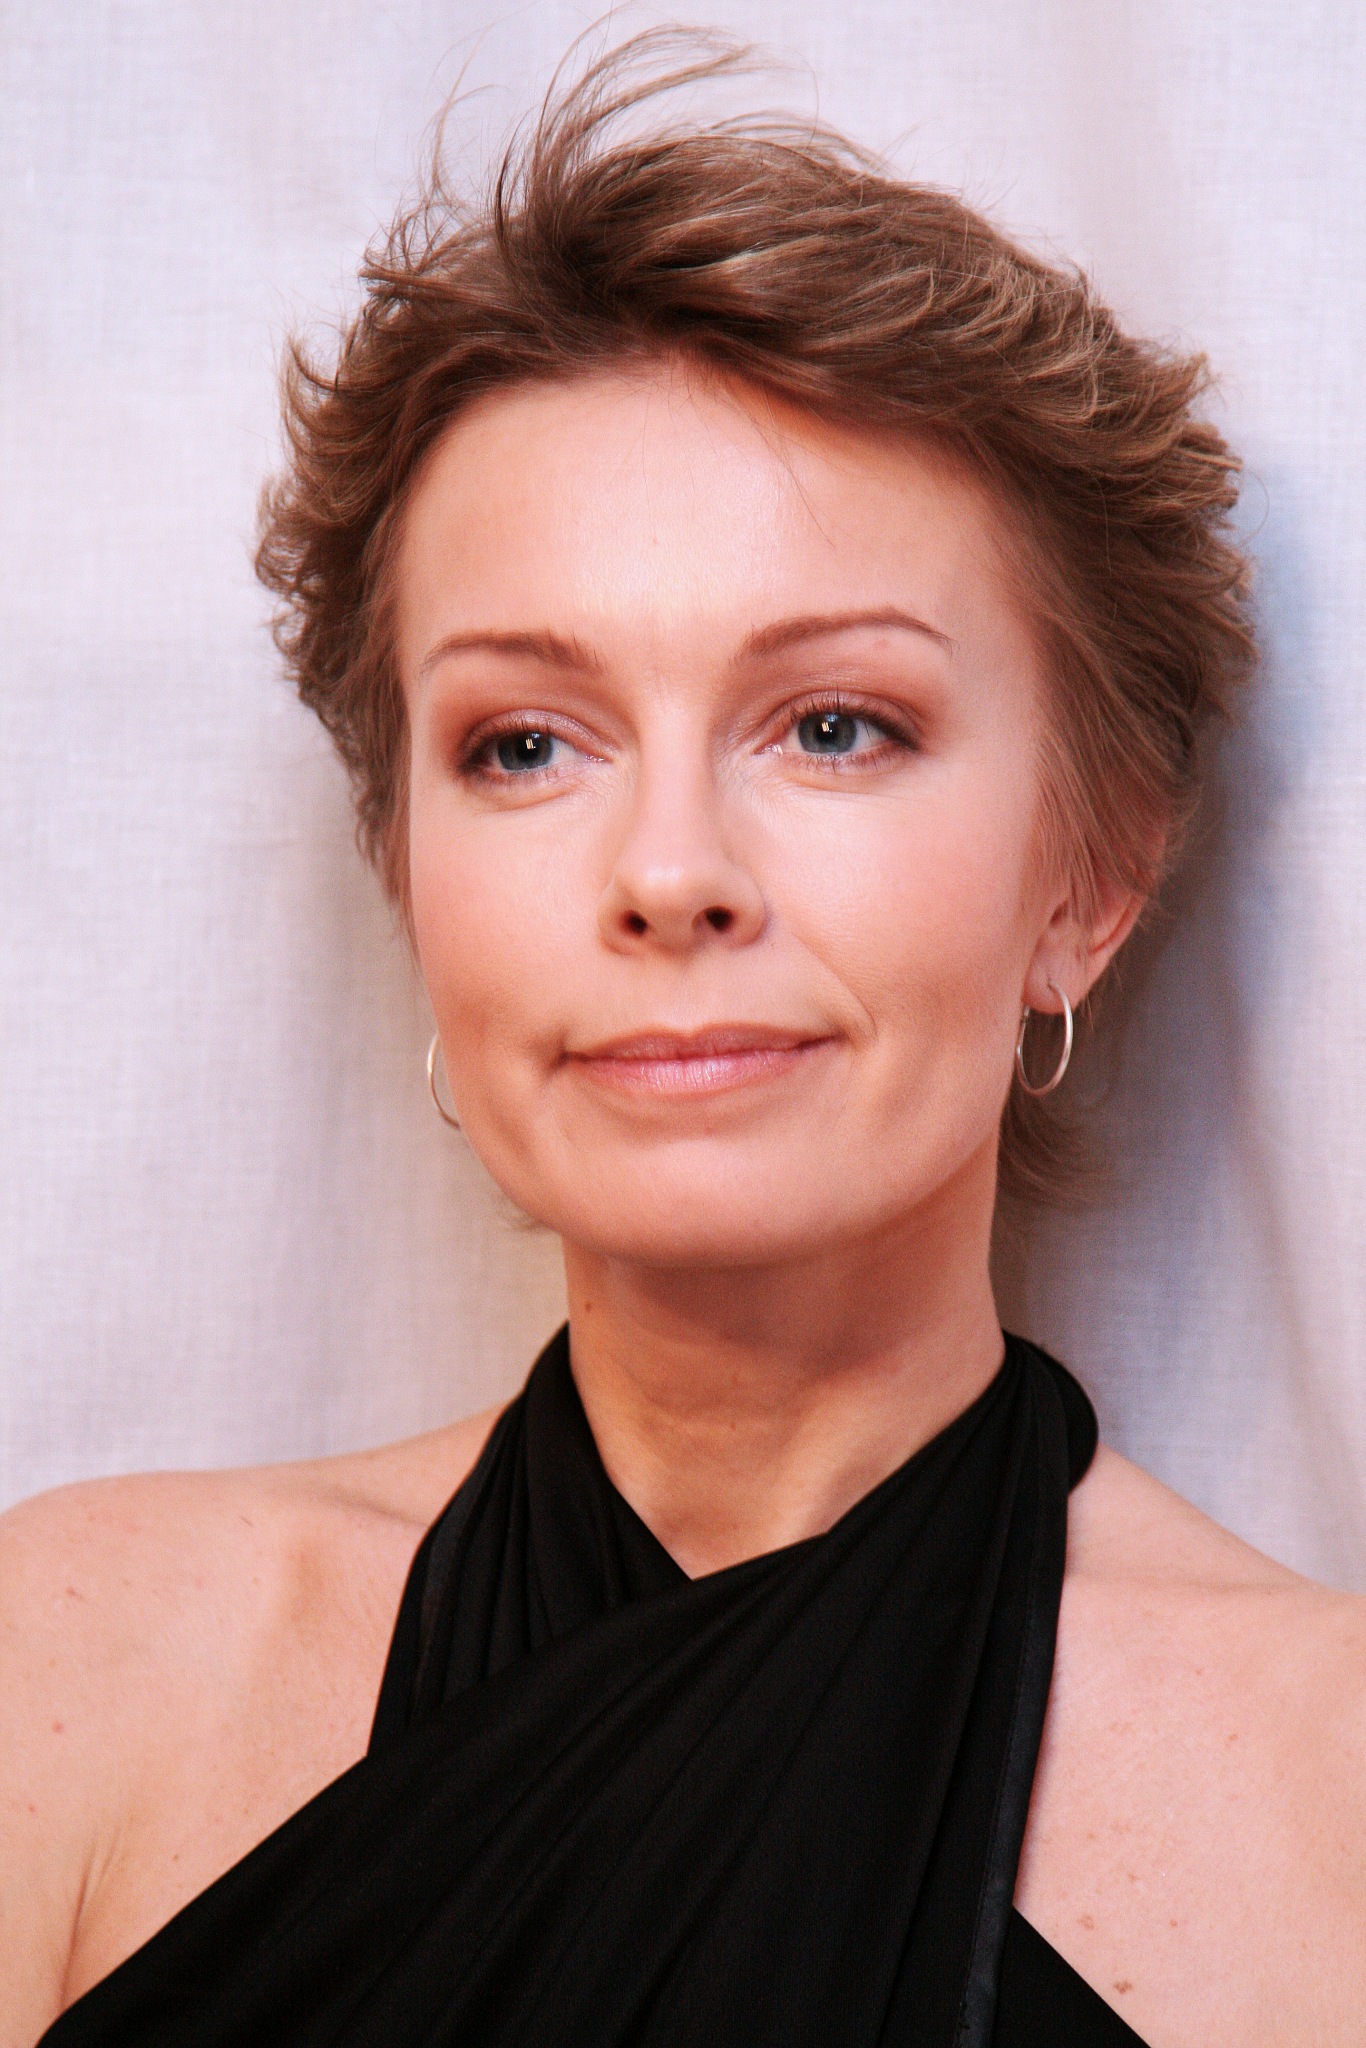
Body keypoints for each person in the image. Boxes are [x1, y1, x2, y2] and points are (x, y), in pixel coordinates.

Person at [3, 31, 1363, 2048]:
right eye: (522, 745)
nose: (666, 875)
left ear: (1088, 877)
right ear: (406, 871)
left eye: (834, 725)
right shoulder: (72, 1666)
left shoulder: (1328, 1790)